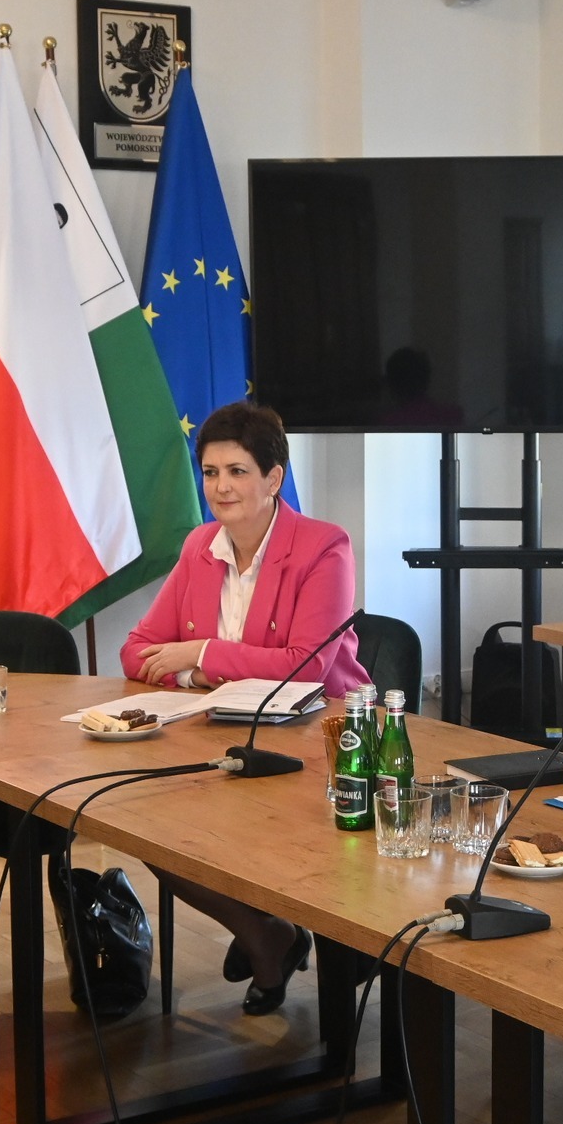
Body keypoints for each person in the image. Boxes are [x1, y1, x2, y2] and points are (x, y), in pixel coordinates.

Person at [122, 402, 371, 1015]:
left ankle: (275, 941)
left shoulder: (324, 546)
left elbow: (306, 666)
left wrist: (200, 654)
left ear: (274, 478)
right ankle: (266, 936)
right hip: (221, 737)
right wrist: (201, 669)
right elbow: (135, 651)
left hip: (320, 744)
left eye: (237, 471)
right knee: (142, 820)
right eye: (210, 473)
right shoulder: (199, 546)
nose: (221, 488)